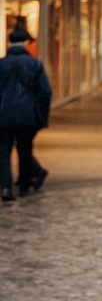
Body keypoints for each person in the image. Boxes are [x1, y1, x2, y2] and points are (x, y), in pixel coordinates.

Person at [0, 30, 52, 201]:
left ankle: (6, 188)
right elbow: (45, 92)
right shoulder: (35, 64)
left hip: (4, 115)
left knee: (3, 152)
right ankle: (23, 187)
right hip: (27, 114)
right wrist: (42, 116)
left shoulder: (2, 65)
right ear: (25, 44)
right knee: (25, 149)